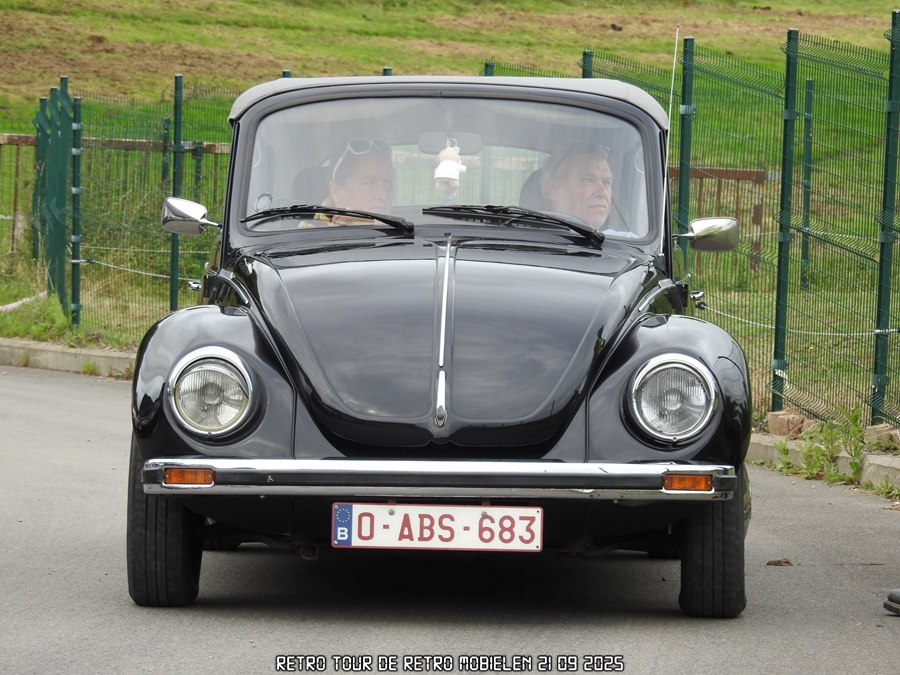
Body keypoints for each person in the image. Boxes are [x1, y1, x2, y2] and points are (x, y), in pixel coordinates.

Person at [540, 142, 613, 229]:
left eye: (607, 182)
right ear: (553, 190)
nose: (603, 192)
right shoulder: (532, 236)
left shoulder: (621, 237)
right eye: (588, 180)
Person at [326, 138, 395, 217]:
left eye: (388, 184)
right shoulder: (316, 225)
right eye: (370, 183)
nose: (383, 195)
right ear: (336, 192)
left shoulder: (402, 224)